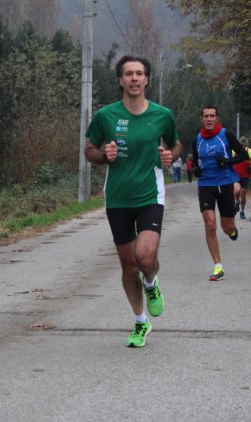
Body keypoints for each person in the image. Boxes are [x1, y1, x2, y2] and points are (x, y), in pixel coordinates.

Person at [84, 54, 181, 347]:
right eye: (129, 74)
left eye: (139, 73)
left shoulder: (162, 115)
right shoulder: (106, 116)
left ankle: (151, 282)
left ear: (147, 79)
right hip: (117, 197)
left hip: (150, 194)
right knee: (128, 266)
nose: (134, 78)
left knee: (145, 257)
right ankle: (141, 321)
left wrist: (170, 155)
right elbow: (89, 150)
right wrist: (104, 156)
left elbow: (176, 144)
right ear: (120, 80)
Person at [191, 106, 248, 281]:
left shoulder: (226, 135)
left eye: (212, 116)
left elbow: (243, 155)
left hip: (225, 183)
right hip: (206, 184)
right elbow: (195, 162)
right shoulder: (197, 139)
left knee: (226, 227)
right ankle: (218, 266)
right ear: (202, 119)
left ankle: (232, 231)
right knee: (210, 223)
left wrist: (227, 161)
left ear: (217, 118)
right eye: (206, 116)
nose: (209, 119)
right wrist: (196, 169)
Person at [233, 136, 251, 219]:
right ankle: (237, 201)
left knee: (243, 195)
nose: (243, 147)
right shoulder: (233, 151)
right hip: (236, 176)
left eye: (244, 145)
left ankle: (242, 211)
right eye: (241, 145)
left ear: (246, 144)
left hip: (246, 177)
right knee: (236, 192)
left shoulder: (250, 152)